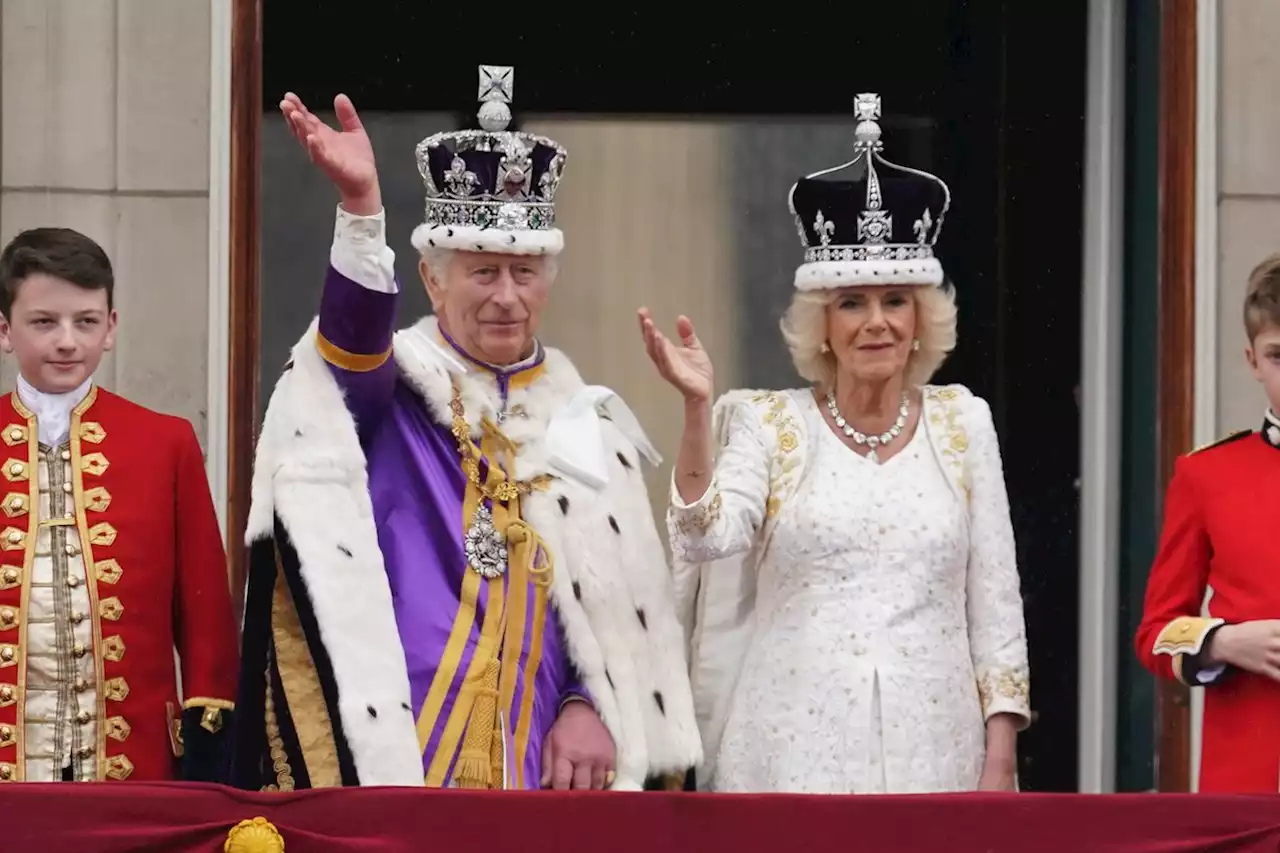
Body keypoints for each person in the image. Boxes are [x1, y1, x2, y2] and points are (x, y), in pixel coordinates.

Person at [231, 65, 701, 792]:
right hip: (400, 748)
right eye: (483, 272)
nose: (508, 296)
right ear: (432, 278)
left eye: (525, 271)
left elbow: (612, 610)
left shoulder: (586, 421)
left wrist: (589, 702)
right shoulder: (394, 387)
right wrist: (361, 210)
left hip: (542, 755)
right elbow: (349, 351)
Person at [643, 93, 1031, 794]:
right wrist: (698, 410)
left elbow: (996, 602)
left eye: (895, 301)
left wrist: (999, 757)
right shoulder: (769, 423)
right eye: (852, 302)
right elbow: (704, 536)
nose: (875, 322)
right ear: (822, 323)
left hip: (935, 751)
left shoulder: (962, 422)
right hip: (785, 754)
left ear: (922, 318)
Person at [0, 227, 238, 784]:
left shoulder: (165, 442)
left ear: (111, 328)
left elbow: (204, 614)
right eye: (43, 322)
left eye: (85, 321)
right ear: (5, 331)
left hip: (135, 766)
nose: (66, 341)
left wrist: (210, 739)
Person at [1134, 252, 1280, 793]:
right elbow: (1156, 631)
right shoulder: (1206, 475)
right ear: (1252, 360)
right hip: (1249, 775)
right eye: (1279, 356)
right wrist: (1222, 642)